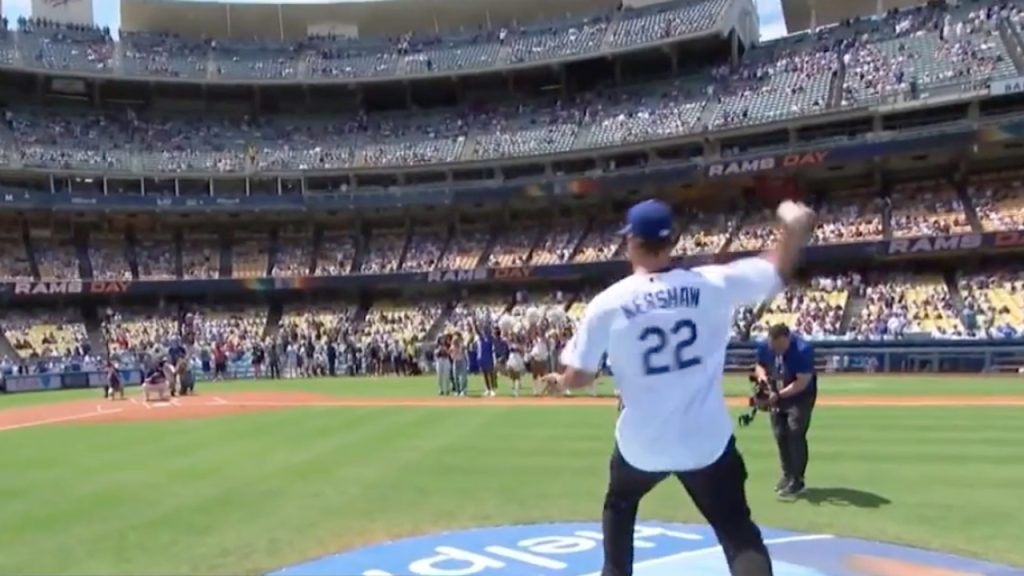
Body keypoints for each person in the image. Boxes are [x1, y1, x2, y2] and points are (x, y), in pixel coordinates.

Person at [542, 198, 816, 576]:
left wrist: (560, 382)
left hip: (642, 444)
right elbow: (777, 269)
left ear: (632, 243)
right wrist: (793, 229)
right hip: (706, 440)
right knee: (736, 529)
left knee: (619, 506)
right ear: (671, 243)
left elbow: (581, 375)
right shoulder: (713, 282)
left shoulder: (608, 303)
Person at [754, 323, 818, 497]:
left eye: (779, 346)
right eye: (772, 346)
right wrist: (763, 379)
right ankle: (787, 474)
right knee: (780, 433)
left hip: (800, 396)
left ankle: (798, 479)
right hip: (776, 391)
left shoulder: (803, 349)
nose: (776, 350)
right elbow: (759, 365)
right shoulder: (765, 346)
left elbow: (802, 382)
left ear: (786, 339)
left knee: (795, 432)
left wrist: (779, 395)